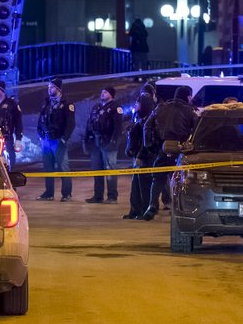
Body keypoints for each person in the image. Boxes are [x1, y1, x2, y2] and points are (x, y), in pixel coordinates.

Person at [141, 85, 197, 221]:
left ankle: (152, 206)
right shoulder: (189, 111)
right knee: (181, 181)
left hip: (162, 148)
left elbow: (146, 126)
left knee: (157, 179)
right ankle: (179, 208)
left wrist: (149, 145)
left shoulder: (160, 107)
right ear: (188, 96)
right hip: (180, 150)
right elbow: (197, 130)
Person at [36, 78, 75, 201]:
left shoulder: (67, 103)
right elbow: (40, 120)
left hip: (58, 139)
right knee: (48, 167)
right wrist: (40, 134)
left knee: (63, 167)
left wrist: (64, 138)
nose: (49, 89)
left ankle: (66, 194)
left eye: (51, 87)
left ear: (58, 89)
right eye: (48, 87)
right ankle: (49, 193)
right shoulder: (46, 103)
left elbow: (71, 123)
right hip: (46, 139)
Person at [123, 83, 157, 220]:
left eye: (138, 103)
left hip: (144, 157)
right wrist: (129, 150)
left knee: (144, 185)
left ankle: (144, 211)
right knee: (135, 185)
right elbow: (132, 136)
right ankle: (134, 210)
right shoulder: (137, 117)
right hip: (136, 155)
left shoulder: (148, 121)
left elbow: (146, 141)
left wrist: (140, 156)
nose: (135, 106)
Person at [84, 86, 123, 203]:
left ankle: (112, 196)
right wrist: (86, 140)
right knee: (97, 169)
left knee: (110, 169)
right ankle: (98, 196)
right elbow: (89, 124)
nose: (102, 94)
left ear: (111, 94)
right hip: (96, 142)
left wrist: (114, 142)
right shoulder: (96, 107)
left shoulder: (116, 108)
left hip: (108, 142)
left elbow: (118, 127)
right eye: (102, 92)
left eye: (105, 92)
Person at [0, 81, 24, 170]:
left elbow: (18, 122)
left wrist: (18, 139)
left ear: (3, 90)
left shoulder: (12, 104)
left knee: (10, 159)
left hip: (7, 137)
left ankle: (11, 178)